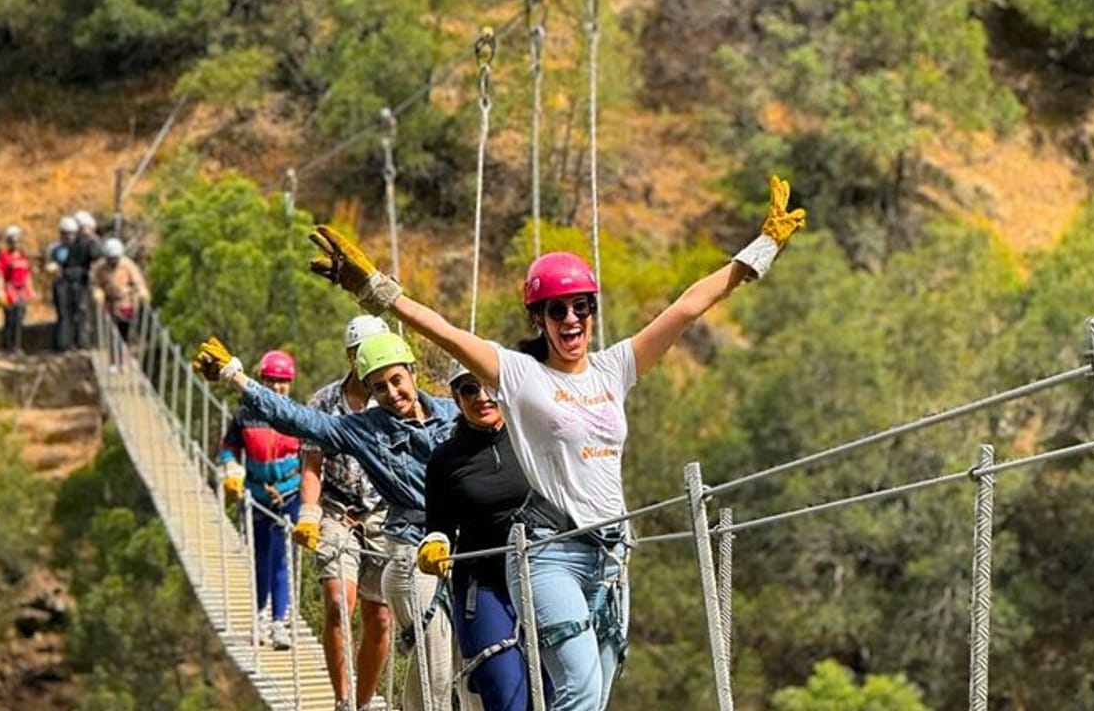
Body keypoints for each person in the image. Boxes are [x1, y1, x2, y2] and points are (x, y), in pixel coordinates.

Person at [300, 173, 805, 710]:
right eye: (556, 309)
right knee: (579, 690)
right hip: (550, 554)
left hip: (613, 557)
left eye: (581, 306)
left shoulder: (614, 368)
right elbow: (443, 331)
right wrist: (375, 289)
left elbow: (685, 309)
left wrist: (760, 250)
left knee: (591, 696)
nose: (571, 319)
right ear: (538, 318)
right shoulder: (520, 375)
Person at [193, 332, 478, 711]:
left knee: (471, 663)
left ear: (412, 372)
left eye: (396, 380)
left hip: (466, 545)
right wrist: (236, 378)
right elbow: (299, 420)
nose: (392, 393)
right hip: (411, 551)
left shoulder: (453, 412)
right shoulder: (365, 429)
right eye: (379, 387)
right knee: (437, 657)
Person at [419, 362, 546, 711]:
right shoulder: (445, 460)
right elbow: (439, 524)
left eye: (489, 386)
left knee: (558, 694)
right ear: (456, 398)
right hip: (483, 584)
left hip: (545, 575)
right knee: (507, 695)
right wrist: (435, 543)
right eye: (469, 389)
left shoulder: (537, 438)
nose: (482, 397)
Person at [293, 314, 394, 711]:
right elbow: (312, 463)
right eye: (360, 353)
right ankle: (343, 700)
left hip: (384, 516)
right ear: (350, 356)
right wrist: (308, 511)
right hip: (337, 513)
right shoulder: (323, 403)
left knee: (380, 619)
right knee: (337, 602)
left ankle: (363, 702)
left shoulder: (395, 399)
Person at [218, 350, 303, 650]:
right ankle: (259, 616)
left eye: (283, 381)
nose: (277, 387)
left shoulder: (297, 415)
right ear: (262, 381)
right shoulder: (245, 416)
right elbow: (228, 448)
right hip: (256, 496)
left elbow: (310, 456)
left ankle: (278, 622)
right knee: (261, 557)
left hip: (289, 495)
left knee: (281, 556)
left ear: (290, 383)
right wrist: (231, 468)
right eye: (271, 380)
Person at [90, 237, 149, 368]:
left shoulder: (127, 265)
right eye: (110, 259)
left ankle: (123, 360)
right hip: (108, 302)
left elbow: (138, 281)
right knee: (111, 333)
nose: (113, 262)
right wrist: (97, 291)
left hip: (125, 302)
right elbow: (95, 282)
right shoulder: (100, 267)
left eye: (115, 258)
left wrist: (142, 291)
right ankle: (113, 360)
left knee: (124, 332)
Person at [46, 215, 95, 351]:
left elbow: (93, 258)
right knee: (64, 314)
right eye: (66, 234)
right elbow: (50, 264)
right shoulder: (55, 248)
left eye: (72, 234)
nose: (69, 237)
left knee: (81, 312)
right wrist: (52, 268)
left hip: (79, 284)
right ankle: (63, 344)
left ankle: (82, 343)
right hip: (62, 285)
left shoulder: (83, 246)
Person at [0, 226, 35, 353]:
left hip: (21, 290)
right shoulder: (4, 256)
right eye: (13, 241)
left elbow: (27, 274)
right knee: (10, 317)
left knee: (20, 316)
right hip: (10, 288)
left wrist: (30, 289)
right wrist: (0, 290)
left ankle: (17, 345)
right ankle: (7, 345)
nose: (16, 243)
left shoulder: (23, 256)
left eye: (18, 241)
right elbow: (0, 275)